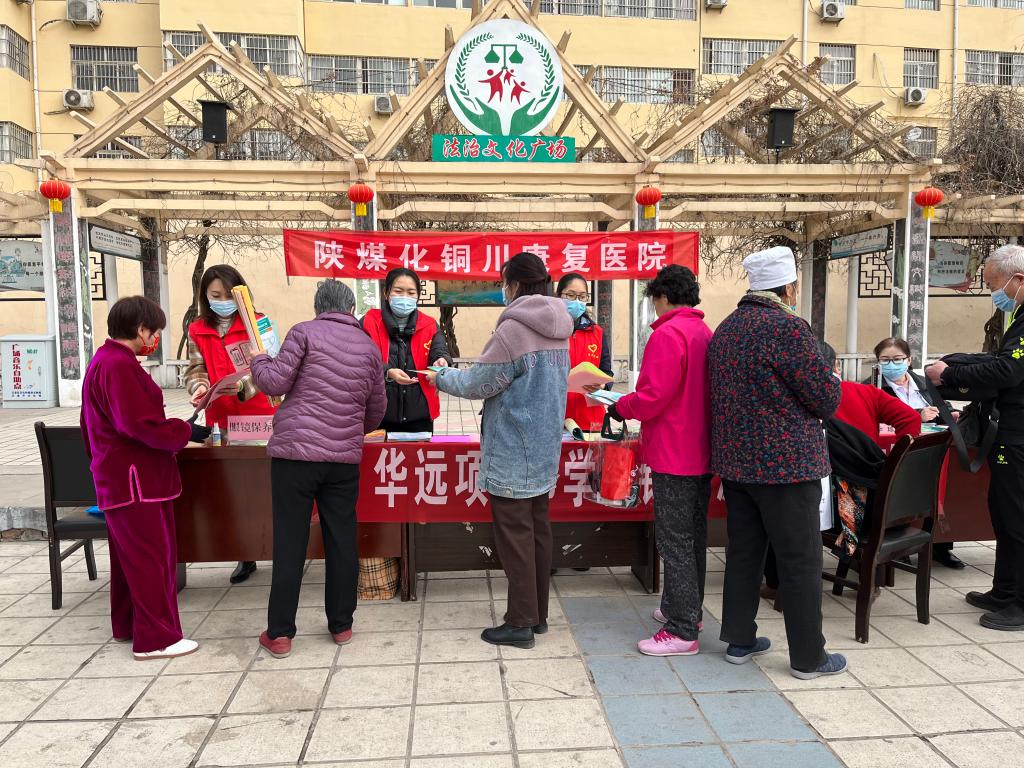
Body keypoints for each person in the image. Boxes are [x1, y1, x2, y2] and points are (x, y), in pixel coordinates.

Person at [709, 246, 848, 680]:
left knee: (744, 553)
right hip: (786, 467)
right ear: (789, 287)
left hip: (737, 465)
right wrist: (833, 381)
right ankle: (809, 657)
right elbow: (824, 398)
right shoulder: (788, 328)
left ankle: (739, 640)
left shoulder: (727, 328)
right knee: (800, 560)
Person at [426, 252, 571, 650]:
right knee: (537, 533)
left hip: (512, 446)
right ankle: (537, 615)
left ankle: (520, 622)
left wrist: (441, 376)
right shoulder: (561, 327)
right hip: (544, 445)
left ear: (516, 284)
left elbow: (478, 383)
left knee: (515, 538)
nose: (503, 290)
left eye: (504, 282)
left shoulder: (513, 330)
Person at [250, 281, 386, 658]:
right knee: (341, 539)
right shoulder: (369, 347)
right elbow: (377, 409)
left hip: (295, 456)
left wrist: (258, 359)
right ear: (351, 309)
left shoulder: (303, 333)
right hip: (342, 461)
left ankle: (280, 633)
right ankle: (341, 625)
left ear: (318, 307)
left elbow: (274, 381)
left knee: (290, 540)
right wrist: (347, 431)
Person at [81, 296, 210, 660]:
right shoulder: (119, 366)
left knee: (129, 561)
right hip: (136, 482)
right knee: (151, 559)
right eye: (154, 332)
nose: (154, 339)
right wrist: (183, 431)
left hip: (118, 478)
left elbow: (93, 426)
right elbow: (138, 424)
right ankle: (156, 639)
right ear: (140, 330)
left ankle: (127, 625)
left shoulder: (104, 361)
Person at [762, 341, 923, 606]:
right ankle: (870, 580)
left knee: (774, 505)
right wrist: (894, 462)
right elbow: (911, 419)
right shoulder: (865, 392)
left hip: (824, 506)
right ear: (836, 366)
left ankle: (775, 584)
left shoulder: (793, 400)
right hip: (867, 503)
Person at [606, 265, 712, 657]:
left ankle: (682, 629)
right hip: (701, 450)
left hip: (674, 452)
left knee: (675, 539)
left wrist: (621, 405)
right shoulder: (703, 331)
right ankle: (686, 610)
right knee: (693, 536)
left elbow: (653, 396)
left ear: (662, 296)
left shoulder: (667, 334)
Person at [927, 244, 1024, 631]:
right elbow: (1001, 362)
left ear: (1018, 279)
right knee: (1003, 513)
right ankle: (1005, 590)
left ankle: (1020, 602)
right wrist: (957, 363)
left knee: (1017, 517)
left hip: (1019, 437)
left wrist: (950, 375)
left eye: (995, 285)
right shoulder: (1019, 316)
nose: (994, 293)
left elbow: (1007, 373)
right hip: (1010, 434)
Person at [185, 265, 275, 585]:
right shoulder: (197, 329)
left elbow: (273, 368)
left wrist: (242, 387)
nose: (223, 301)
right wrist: (198, 387)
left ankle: (274, 544)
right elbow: (195, 368)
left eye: (228, 295)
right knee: (232, 488)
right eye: (215, 295)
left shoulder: (258, 322)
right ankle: (244, 553)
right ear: (205, 296)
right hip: (220, 419)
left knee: (263, 485)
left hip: (259, 417)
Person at [872, 336, 965, 569]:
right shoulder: (873, 386)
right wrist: (916, 415)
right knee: (902, 493)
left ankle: (940, 546)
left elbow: (944, 407)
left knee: (942, 489)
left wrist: (950, 414)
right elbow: (877, 420)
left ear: (909, 359)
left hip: (933, 446)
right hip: (898, 449)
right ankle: (897, 543)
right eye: (885, 360)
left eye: (897, 359)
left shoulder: (923, 382)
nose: (892, 364)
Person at [361, 268, 451, 434]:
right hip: (378, 416)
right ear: (386, 293)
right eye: (398, 291)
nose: (405, 297)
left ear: (417, 296)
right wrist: (387, 372)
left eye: (411, 292)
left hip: (420, 415)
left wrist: (441, 360)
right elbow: (360, 359)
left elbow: (439, 350)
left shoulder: (429, 324)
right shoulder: (369, 322)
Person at [557, 272, 614, 433]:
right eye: (570, 295)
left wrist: (603, 385)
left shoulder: (597, 333)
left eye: (582, 297)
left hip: (592, 421)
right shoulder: (549, 332)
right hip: (556, 419)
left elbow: (607, 373)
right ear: (558, 296)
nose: (577, 301)